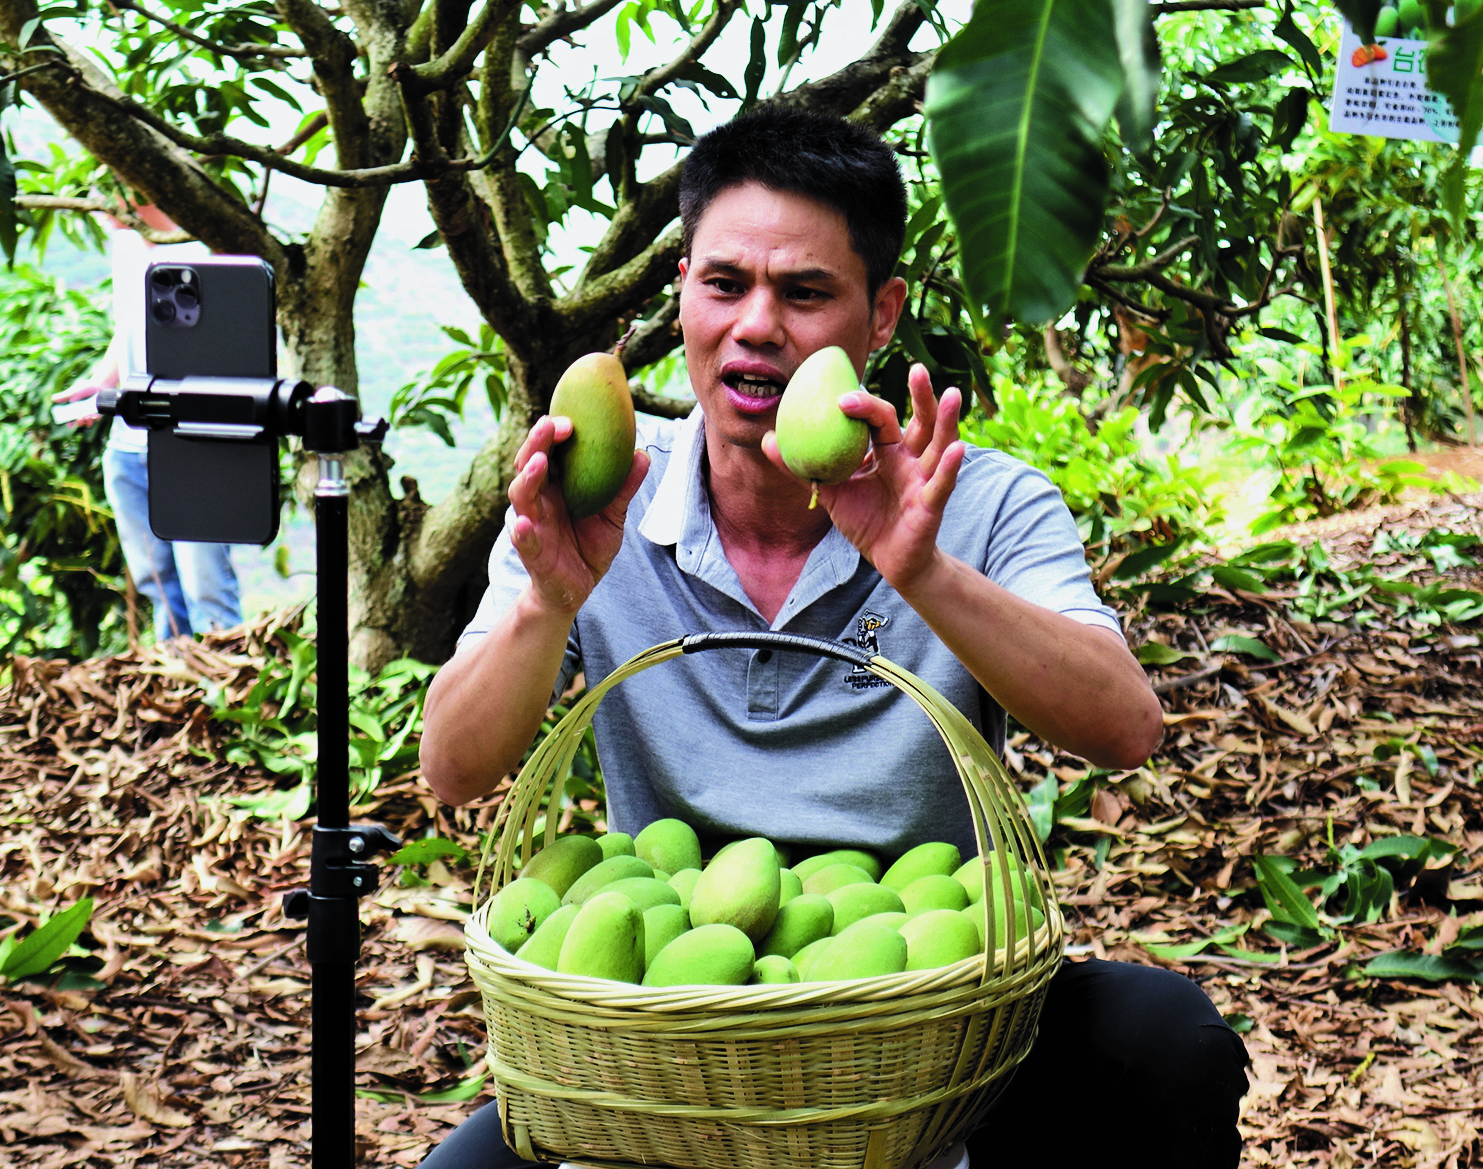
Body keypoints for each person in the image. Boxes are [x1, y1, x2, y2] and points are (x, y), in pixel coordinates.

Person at [417, 107, 1248, 1169]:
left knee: (1159, 1040)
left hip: (932, 1022)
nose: (756, 325)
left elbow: (1125, 725)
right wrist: (548, 599)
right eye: (724, 284)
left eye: (803, 292)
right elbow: (452, 766)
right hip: (678, 1022)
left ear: (880, 312)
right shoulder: (601, 501)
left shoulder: (977, 503)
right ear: (681, 291)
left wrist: (922, 570)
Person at [52, 204, 242, 642]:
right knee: (159, 584)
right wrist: (100, 384)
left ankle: (230, 692)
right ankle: (177, 685)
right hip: (129, 439)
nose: (94, 204)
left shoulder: (206, 250)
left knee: (207, 590)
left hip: (192, 442)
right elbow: (130, 325)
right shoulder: (126, 246)